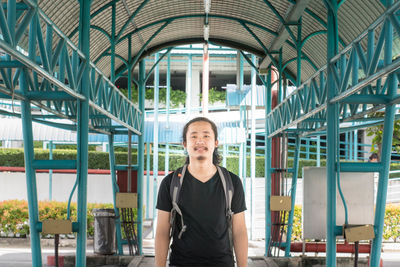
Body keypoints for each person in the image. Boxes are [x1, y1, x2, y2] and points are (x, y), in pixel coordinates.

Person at [155, 117, 248, 267]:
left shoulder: (232, 182)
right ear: (184, 144)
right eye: (193, 136)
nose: (200, 141)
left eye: (206, 136)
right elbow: (162, 231)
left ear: (216, 142)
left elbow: (239, 230)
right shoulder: (171, 182)